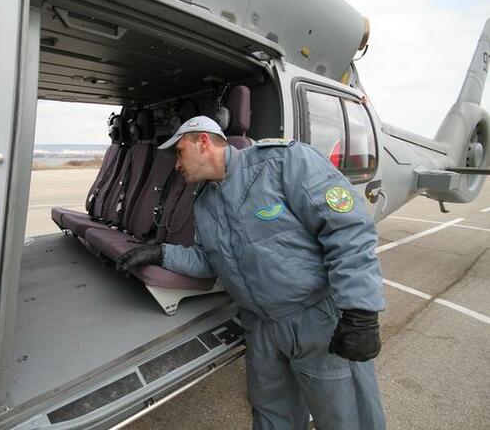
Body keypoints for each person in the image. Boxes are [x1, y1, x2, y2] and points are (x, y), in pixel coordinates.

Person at [117, 116, 386, 430]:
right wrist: (161, 253)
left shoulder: (282, 162)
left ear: (203, 142)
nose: (176, 164)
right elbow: (208, 260)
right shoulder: (205, 202)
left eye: (179, 152)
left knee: (345, 417)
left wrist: (361, 310)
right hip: (261, 327)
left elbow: (348, 229)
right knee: (271, 416)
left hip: (314, 321)